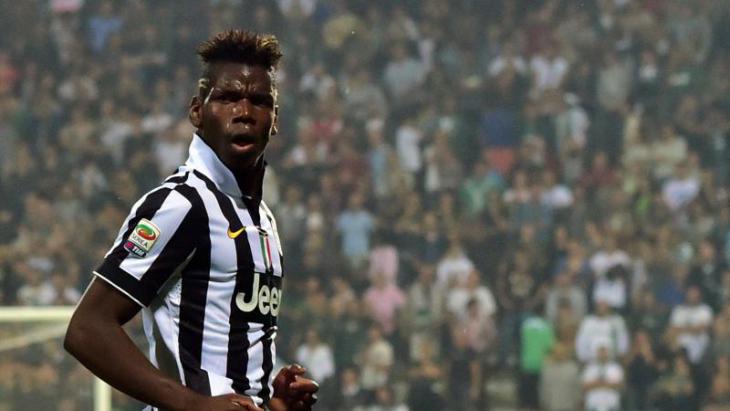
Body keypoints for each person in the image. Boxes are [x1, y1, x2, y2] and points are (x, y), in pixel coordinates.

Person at [64, 30, 318, 411]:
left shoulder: (263, 218)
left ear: (275, 119)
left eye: (259, 101)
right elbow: (87, 328)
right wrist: (192, 405)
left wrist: (271, 402)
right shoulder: (182, 204)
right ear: (197, 111)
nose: (244, 112)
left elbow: (225, 366)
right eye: (228, 98)